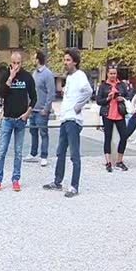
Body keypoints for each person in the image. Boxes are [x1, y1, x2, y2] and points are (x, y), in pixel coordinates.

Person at [43, 48, 93, 198]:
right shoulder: (70, 77)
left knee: (74, 154)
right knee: (60, 151)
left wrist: (78, 106)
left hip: (73, 119)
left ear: (75, 62)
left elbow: (88, 91)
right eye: (64, 60)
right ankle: (57, 181)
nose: (65, 63)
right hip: (66, 118)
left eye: (68, 60)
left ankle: (74, 186)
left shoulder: (80, 75)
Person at [0, 51, 37, 193]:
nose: (16, 66)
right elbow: (2, 94)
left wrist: (27, 113)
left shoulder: (27, 77)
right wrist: (10, 78)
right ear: (10, 62)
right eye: (14, 63)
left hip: (20, 120)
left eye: (18, 63)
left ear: (21, 62)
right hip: (7, 119)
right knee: (1, 151)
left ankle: (15, 179)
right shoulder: (6, 75)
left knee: (18, 152)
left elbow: (34, 98)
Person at [24, 50, 55, 167]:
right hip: (33, 109)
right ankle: (33, 153)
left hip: (42, 110)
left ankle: (44, 155)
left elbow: (51, 93)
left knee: (43, 133)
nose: (32, 60)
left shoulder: (47, 74)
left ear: (38, 60)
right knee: (33, 132)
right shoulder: (34, 73)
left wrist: (46, 108)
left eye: (34, 58)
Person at [96, 65, 129, 172]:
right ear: (107, 74)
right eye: (111, 73)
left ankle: (119, 160)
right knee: (107, 138)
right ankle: (108, 161)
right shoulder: (103, 86)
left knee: (124, 136)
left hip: (120, 114)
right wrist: (108, 98)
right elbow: (98, 101)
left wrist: (122, 98)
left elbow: (129, 96)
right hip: (108, 114)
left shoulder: (122, 85)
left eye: (114, 73)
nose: (113, 75)